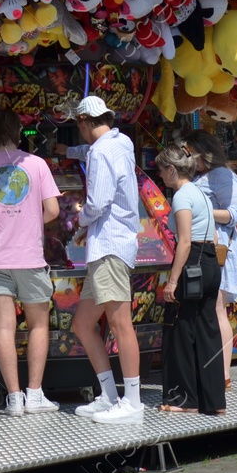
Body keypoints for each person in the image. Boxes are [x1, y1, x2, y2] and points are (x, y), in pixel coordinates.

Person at [0, 110, 61, 417]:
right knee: (38, 324)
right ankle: (35, 394)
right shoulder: (37, 164)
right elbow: (54, 210)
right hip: (30, 257)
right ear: (19, 133)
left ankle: (13, 398)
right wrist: (31, 224)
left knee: (4, 328)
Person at [64, 95, 145, 426]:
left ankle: (133, 402)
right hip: (113, 245)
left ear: (84, 121)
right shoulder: (122, 142)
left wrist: (81, 219)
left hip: (109, 244)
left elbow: (97, 202)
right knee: (83, 325)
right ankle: (110, 396)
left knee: (120, 324)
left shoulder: (99, 152)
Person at [154, 144, 227, 416]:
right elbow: (215, 235)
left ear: (172, 169)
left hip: (192, 261)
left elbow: (184, 242)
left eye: (161, 170)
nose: (160, 175)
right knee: (207, 331)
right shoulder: (201, 193)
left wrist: (173, 281)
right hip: (209, 262)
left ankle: (184, 399)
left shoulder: (182, 197)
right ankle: (214, 400)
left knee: (180, 331)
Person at [188, 131, 237, 388]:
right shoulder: (200, 176)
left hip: (220, 250)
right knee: (209, 311)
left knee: (217, 311)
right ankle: (214, 372)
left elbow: (235, 214)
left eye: (191, 152)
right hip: (204, 248)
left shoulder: (222, 175)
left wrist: (202, 209)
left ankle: (222, 374)